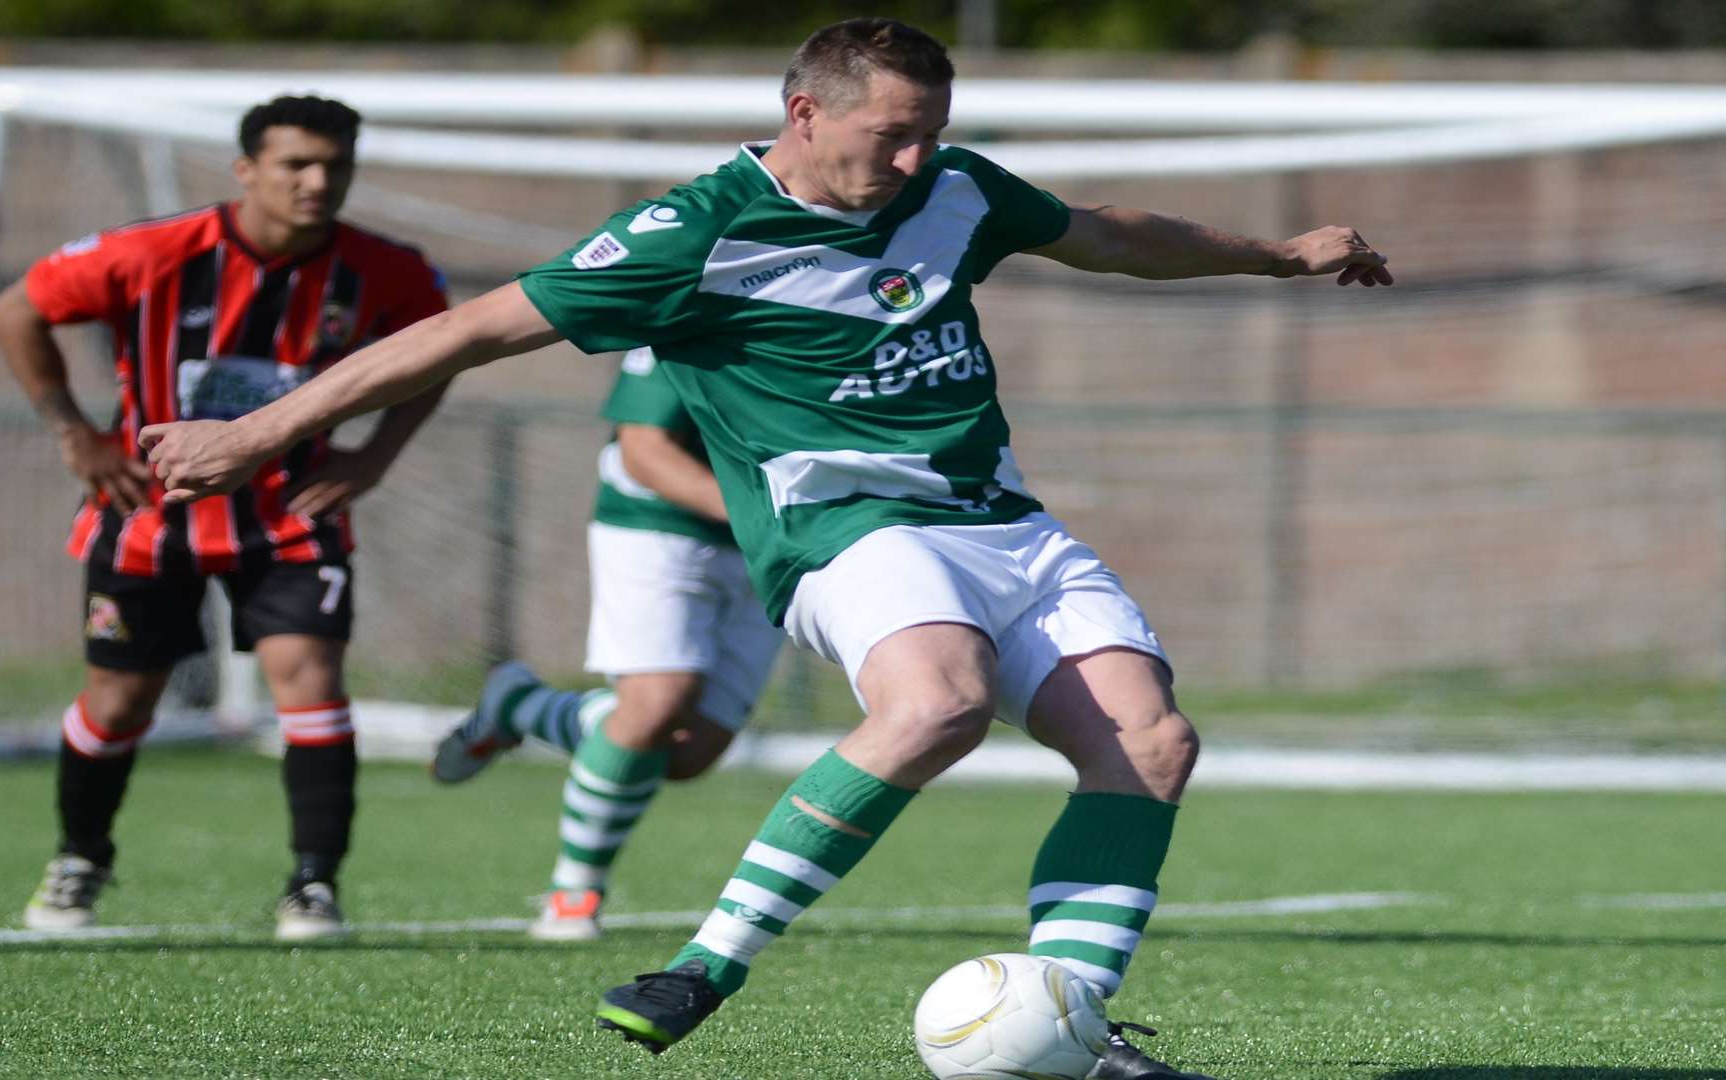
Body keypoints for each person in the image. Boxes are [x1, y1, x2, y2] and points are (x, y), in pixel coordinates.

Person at [136, 18, 1390, 1076]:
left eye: (931, 134)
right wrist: (259, 432)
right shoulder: (691, 233)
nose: (913, 159)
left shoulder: (955, 191)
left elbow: (1111, 235)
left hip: (1002, 520)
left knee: (1152, 743)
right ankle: (702, 966)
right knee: (935, 704)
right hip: (846, 531)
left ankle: (1068, 1023)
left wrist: (1278, 255)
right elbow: (465, 332)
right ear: (802, 112)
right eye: (887, 134)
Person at [0, 95, 451, 941]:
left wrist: (377, 453)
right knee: (121, 704)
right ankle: (80, 857)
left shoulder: (385, 271)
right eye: (295, 165)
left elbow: (443, 347)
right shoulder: (153, 252)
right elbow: (14, 310)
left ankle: (313, 886)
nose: (317, 182)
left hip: (290, 516)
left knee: (310, 681)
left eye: (334, 166)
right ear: (246, 171)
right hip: (149, 513)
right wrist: (75, 434)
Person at [430, 345, 786, 942]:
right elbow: (644, 452)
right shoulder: (701, 305)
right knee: (654, 705)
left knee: (688, 753)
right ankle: (575, 892)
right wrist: (764, 518)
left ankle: (518, 704)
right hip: (659, 526)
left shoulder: (857, 310)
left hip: (772, 547)